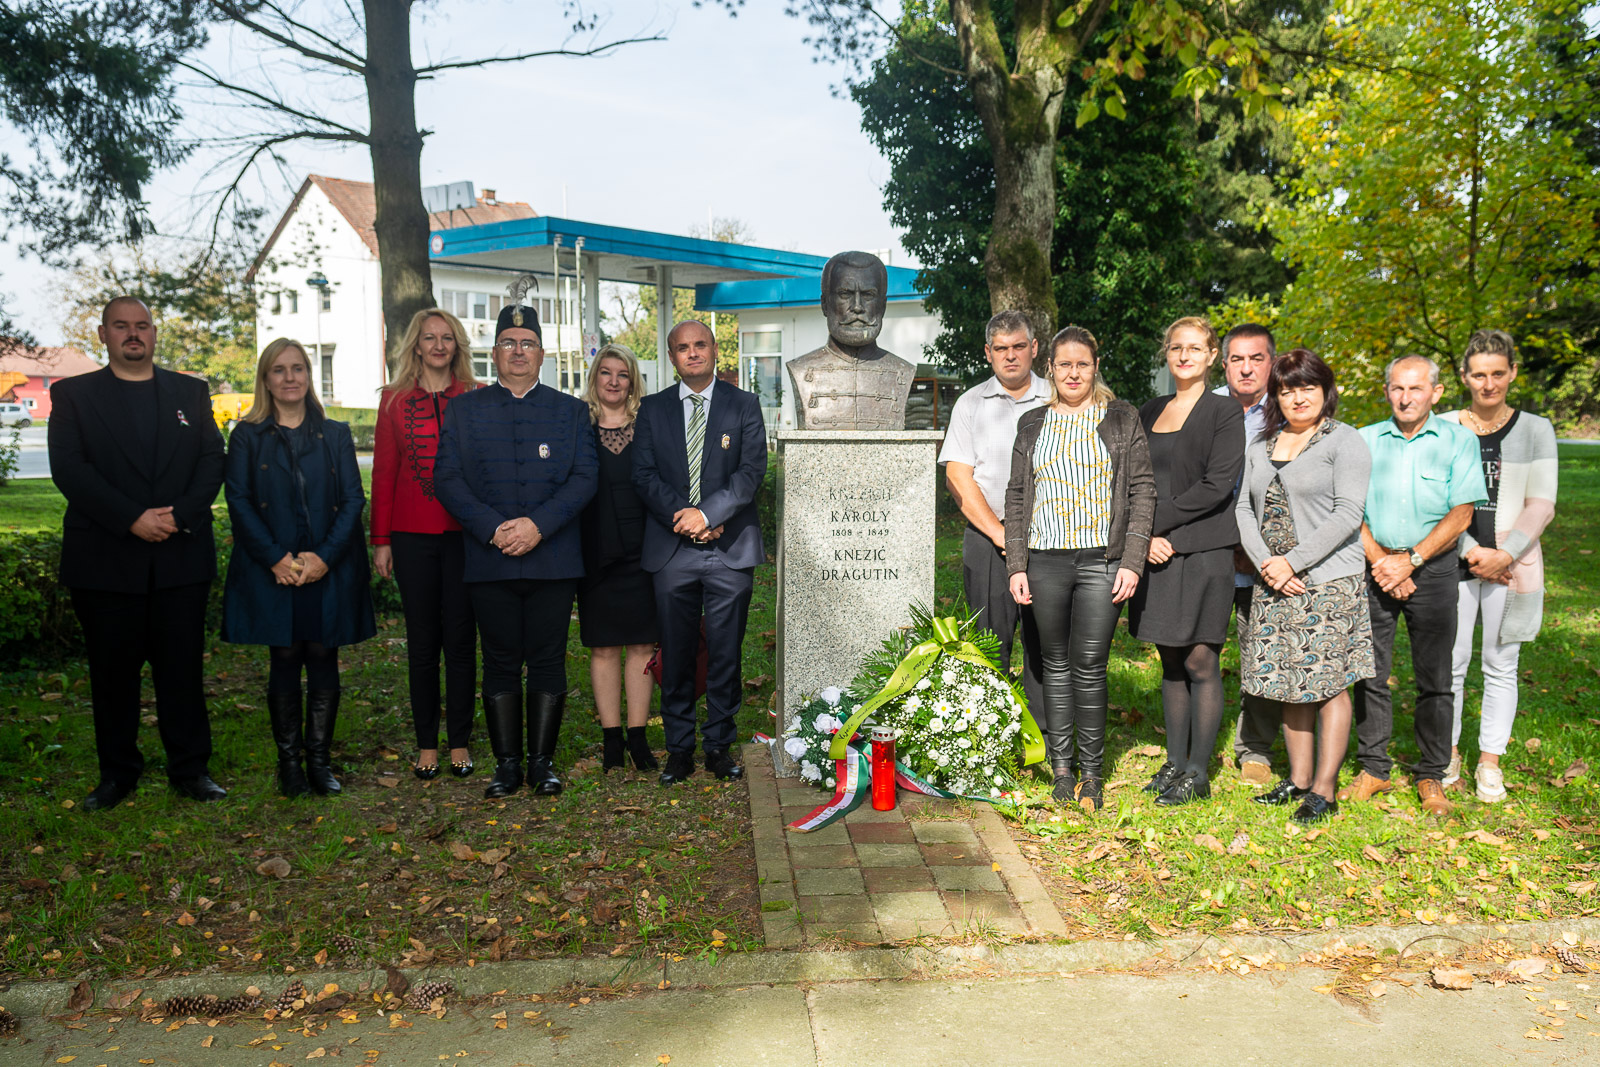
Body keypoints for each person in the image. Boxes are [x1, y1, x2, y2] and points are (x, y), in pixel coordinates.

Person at [48, 296, 227, 810]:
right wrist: (132, 517)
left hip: (180, 555)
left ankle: (191, 770)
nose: (133, 334)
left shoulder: (189, 392)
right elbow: (70, 470)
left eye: (142, 326)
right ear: (102, 334)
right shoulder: (74, 395)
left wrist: (183, 514)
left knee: (182, 673)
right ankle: (117, 774)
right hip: (105, 559)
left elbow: (212, 459)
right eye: (121, 326)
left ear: (154, 333)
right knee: (112, 675)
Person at [433, 303, 597, 799]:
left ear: (542, 354)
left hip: (551, 559)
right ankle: (506, 765)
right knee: (499, 660)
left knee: (548, 658)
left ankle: (542, 764)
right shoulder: (466, 409)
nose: (518, 352)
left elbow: (585, 477)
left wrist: (539, 526)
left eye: (527, 344)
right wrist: (493, 529)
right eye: (509, 343)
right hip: (491, 556)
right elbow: (448, 478)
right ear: (494, 353)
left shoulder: (570, 411)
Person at [1005, 325, 1155, 811]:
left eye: (1082, 364)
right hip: (1044, 561)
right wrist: (1016, 563)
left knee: (1090, 667)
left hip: (1100, 562)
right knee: (1054, 664)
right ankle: (1061, 770)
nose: (1073, 372)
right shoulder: (1031, 423)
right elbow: (1017, 495)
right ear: (1049, 367)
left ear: (1095, 366)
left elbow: (1141, 491)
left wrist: (1131, 561)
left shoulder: (1121, 418)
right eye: (1064, 364)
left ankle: (1092, 774)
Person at [222, 338, 376, 797]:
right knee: (285, 656)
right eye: (278, 370)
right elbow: (239, 501)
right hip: (274, 564)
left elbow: (352, 499)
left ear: (309, 376)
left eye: (297, 369)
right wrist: (276, 558)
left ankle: (320, 763)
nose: (289, 378)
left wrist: (324, 557)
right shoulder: (247, 436)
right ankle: (289, 765)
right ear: (265, 379)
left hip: (325, 563)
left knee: (323, 652)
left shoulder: (335, 433)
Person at [1236, 349, 1374, 823]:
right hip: (1274, 581)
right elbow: (1243, 511)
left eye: (1307, 386)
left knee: (1328, 685)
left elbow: (1347, 514)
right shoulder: (1261, 444)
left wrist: (1292, 562)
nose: (1297, 396)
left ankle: (1324, 788)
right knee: (1291, 683)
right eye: (1287, 388)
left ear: (1325, 390)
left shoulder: (1345, 441)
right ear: (1275, 395)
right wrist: (1268, 565)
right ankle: (1297, 780)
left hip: (1328, 580)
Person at [1346, 355, 1487, 816]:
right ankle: (1374, 768)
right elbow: (1352, 510)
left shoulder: (1458, 441)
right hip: (1376, 567)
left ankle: (1432, 774)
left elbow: (1462, 513)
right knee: (1370, 673)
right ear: (1386, 391)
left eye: (1416, 389)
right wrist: (1384, 563)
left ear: (1437, 392)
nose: (1406, 398)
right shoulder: (1364, 440)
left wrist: (1412, 562)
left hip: (1435, 570)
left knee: (1436, 679)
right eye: (1397, 389)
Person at [633, 319, 767, 785]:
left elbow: (751, 471)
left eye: (700, 345)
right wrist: (686, 517)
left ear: (714, 350)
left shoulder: (744, 404)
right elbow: (644, 475)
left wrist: (709, 516)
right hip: (673, 550)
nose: (693, 353)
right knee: (677, 650)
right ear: (672, 356)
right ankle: (678, 749)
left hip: (729, 548)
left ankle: (718, 747)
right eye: (682, 348)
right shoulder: (651, 410)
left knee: (727, 653)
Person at [1130, 316, 1245, 806]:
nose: (1184, 356)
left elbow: (1216, 488)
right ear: (1167, 353)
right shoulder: (1148, 409)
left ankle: (1198, 773)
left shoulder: (1224, 412)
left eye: (1194, 348)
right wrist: (1143, 535)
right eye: (1176, 347)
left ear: (1211, 355)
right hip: (1154, 554)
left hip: (1201, 551)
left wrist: (1158, 527)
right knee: (1169, 660)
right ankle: (1174, 762)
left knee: (1201, 660)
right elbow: (1130, 480)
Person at [1439, 330, 1558, 803]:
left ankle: (1489, 761)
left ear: (1512, 373)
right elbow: (1439, 499)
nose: (1489, 384)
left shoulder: (1536, 428)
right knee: (1450, 663)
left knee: (1501, 663)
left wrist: (1504, 555)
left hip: (1513, 566)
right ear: (1465, 377)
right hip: (1455, 559)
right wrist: (1472, 549)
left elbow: (1542, 503)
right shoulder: (1446, 425)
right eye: (1479, 375)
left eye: (1498, 374)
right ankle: (1445, 753)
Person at [371, 307, 479, 781]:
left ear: (457, 346)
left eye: (448, 338)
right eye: (430, 338)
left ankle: (459, 740)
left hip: (464, 535)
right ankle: (425, 745)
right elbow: (383, 473)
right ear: (415, 344)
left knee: (459, 639)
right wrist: (380, 540)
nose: (439, 345)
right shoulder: (393, 401)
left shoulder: (475, 397)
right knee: (422, 642)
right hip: (410, 535)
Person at [938, 310, 1051, 718]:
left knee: (1044, 642)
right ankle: (992, 733)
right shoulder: (971, 403)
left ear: (1034, 348)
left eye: (1019, 347)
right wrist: (1001, 533)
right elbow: (957, 477)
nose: (1010, 356)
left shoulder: (1059, 398)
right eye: (1001, 349)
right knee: (989, 643)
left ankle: (1043, 734)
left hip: (1050, 539)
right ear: (988, 353)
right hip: (989, 538)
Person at [577, 343, 660, 773]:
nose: (613, 381)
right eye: (605, 373)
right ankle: (611, 741)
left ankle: (638, 738)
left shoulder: (648, 424)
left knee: (642, 645)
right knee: (604, 646)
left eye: (622, 374)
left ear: (632, 381)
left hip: (644, 549)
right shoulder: (578, 423)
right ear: (595, 378)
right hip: (596, 550)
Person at [1216, 322, 1282, 785]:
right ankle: (1198, 736)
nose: (1246, 367)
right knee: (1199, 650)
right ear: (1224, 364)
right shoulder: (1207, 408)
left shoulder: (1287, 411)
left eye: (1256, 358)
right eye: (1236, 359)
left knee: (1261, 651)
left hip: (1262, 559)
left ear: (1271, 363)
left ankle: (1254, 748)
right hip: (1210, 553)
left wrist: (1255, 549)